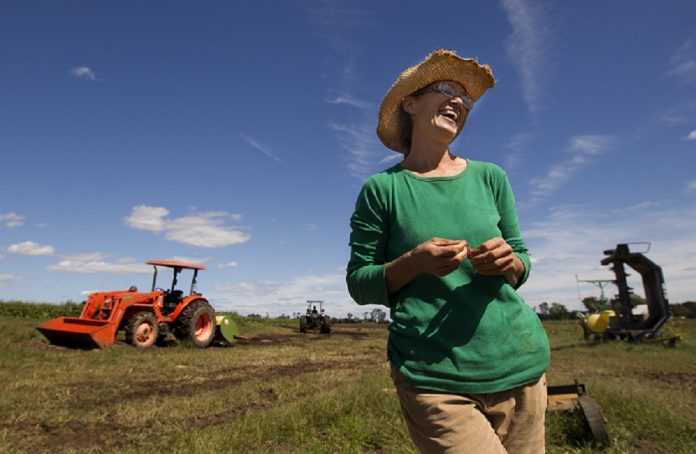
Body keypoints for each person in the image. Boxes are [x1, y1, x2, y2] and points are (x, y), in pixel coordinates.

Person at [346, 49, 550, 453]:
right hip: (434, 377)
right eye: (445, 89)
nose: (459, 101)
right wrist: (413, 262)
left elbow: (522, 261)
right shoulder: (382, 189)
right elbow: (359, 283)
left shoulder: (491, 178)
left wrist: (510, 262)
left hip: (521, 364)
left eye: (466, 98)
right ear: (410, 103)